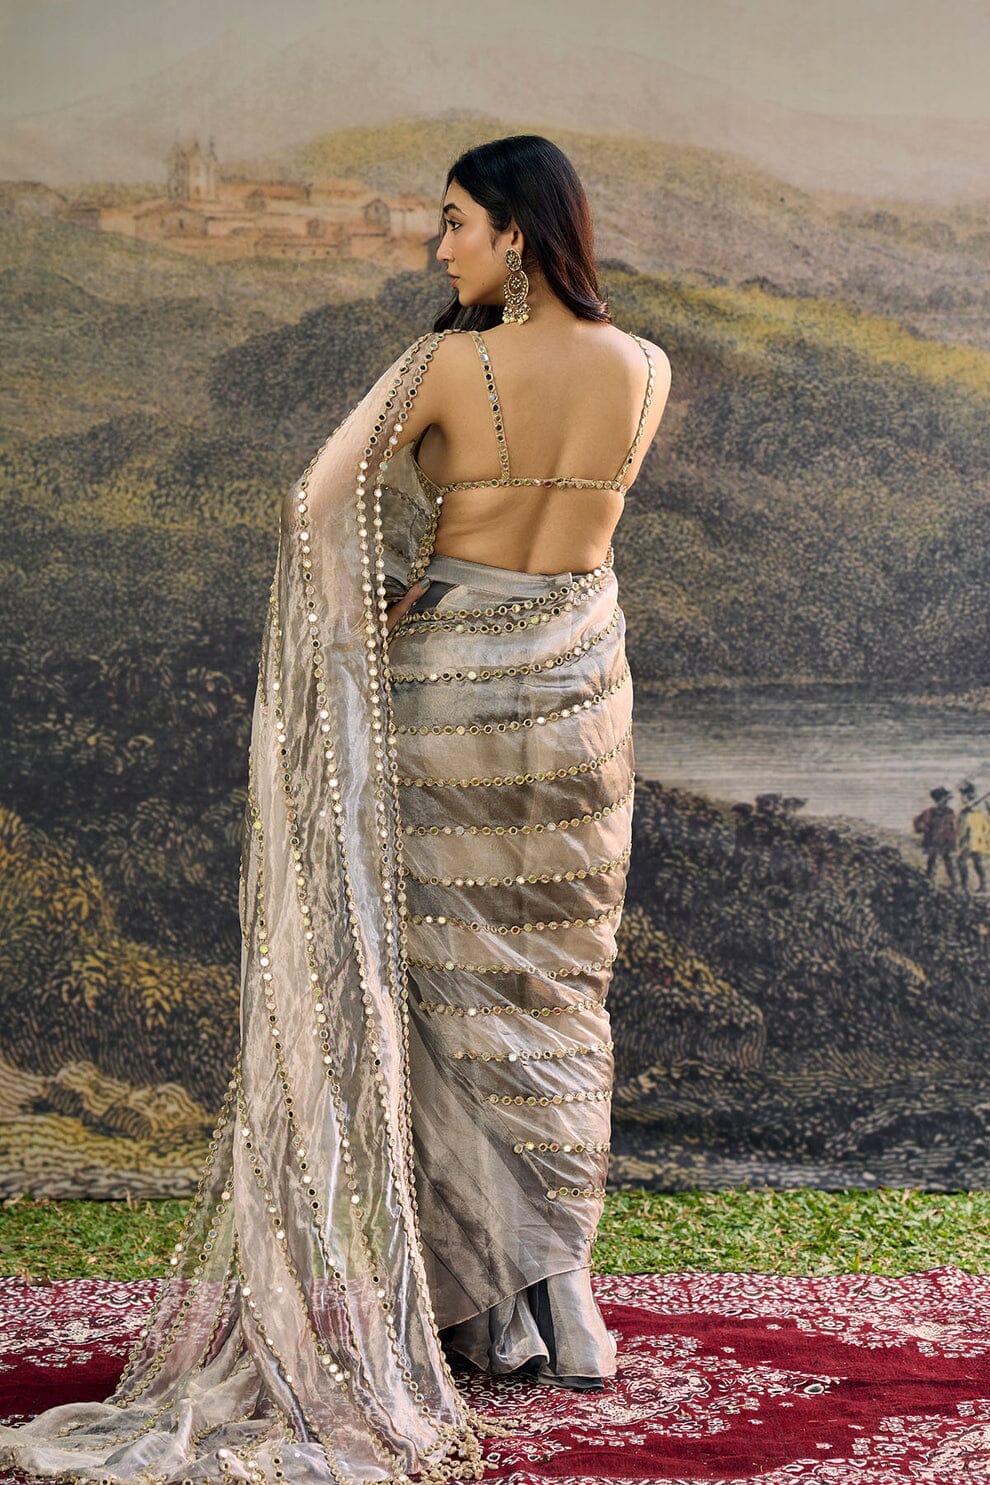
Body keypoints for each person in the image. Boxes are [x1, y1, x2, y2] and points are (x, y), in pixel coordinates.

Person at [0, 135, 670, 1485]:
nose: (439, 247)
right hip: (580, 696)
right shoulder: (646, 367)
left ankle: (494, 1310)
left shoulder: (446, 366)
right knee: (557, 982)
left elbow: (313, 501)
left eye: (456, 223)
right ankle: (564, 1304)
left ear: (518, 233)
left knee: (440, 985)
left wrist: (381, 606)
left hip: (453, 687)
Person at [913, 786, 959, 886]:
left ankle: (954, 883)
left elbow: (952, 828)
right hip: (933, 841)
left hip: (945, 842)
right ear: (939, 800)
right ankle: (929, 881)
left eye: (947, 799)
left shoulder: (950, 812)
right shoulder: (930, 812)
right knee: (932, 861)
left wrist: (952, 841)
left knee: (948, 862)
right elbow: (918, 823)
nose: (946, 801)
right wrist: (925, 828)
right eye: (944, 799)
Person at [957, 780, 990, 893]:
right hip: (972, 836)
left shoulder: (981, 803)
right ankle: (983, 886)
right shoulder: (969, 802)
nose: (963, 795)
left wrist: (970, 811)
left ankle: (965, 886)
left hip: (975, 836)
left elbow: (984, 817)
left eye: (964, 792)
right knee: (977, 861)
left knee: (961, 861)